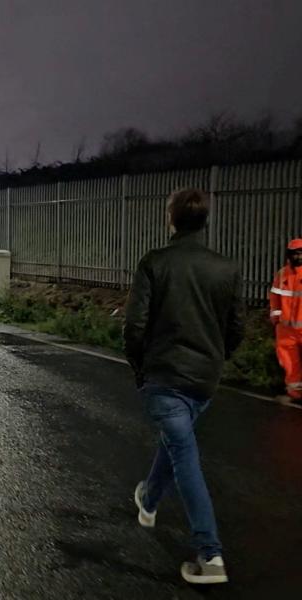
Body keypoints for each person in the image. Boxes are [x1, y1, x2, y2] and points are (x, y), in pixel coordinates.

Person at [124, 188, 243, 586]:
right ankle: (149, 498)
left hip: (165, 376)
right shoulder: (226, 268)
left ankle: (210, 555)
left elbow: (135, 326)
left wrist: (140, 368)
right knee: (178, 443)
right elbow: (236, 329)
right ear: (204, 221)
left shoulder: (155, 263)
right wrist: (215, 359)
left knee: (184, 456)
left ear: (169, 219)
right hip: (204, 380)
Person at [270, 238, 302, 404]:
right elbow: (275, 297)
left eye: (300, 253)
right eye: (295, 253)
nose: (298, 256)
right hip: (285, 329)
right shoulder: (282, 274)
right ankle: (294, 393)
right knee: (289, 362)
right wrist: (276, 319)